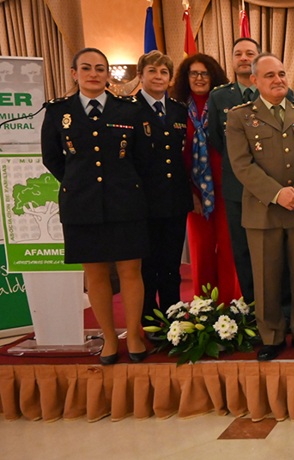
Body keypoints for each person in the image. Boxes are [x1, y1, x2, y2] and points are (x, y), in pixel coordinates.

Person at [40, 48, 149, 364]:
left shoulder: (128, 110)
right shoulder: (58, 112)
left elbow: (142, 157)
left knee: (130, 270)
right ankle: (110, 338)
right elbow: (52, 158)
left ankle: (134, 334)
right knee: (96, 273)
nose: (93, 74)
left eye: (100, 68)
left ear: (107, 75)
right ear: (74, 73)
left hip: (125, 201)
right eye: (86, 68)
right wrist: (79, 182)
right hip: (81, 204)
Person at [225, 53, 294, 362]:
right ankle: (271, 335)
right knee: (266, 277)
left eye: (281, 74)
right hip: (263, 210)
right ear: (254, 80)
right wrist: (277, 193)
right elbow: (241, 164)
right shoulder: (240, 117)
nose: (278, 79)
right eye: (270, 75)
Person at [208, 37, 294, 305]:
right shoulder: (219, 97)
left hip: (275, 187)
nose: (244, 58)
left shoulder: (282, 92)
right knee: (243, 250)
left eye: (250, 53)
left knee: (280, 250)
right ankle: (253, 307)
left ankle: (284, 307)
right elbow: (218, 140)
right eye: (238, 53)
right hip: (238, 188)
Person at [170, 53, 237, 302]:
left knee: (229, 249)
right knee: (202, 251)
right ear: (186, 77)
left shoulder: (224, 104)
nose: (199, 78)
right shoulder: (176, 109)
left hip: (227, 188)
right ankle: (205, 306)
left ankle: (230, 306)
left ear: (214, 76)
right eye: (194, 73)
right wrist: (189, 192)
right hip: (195, 191)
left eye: (205, 73)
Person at [134, 51, 191, 327]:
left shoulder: (179, 110)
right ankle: (148, 319)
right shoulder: (128, 109)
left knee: (171, 265)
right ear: (140, 75)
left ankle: (173, 317)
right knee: (148, 267)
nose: (158, 77)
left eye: (164, 72)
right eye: (152, 71)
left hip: (175, 201)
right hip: (142, 203)